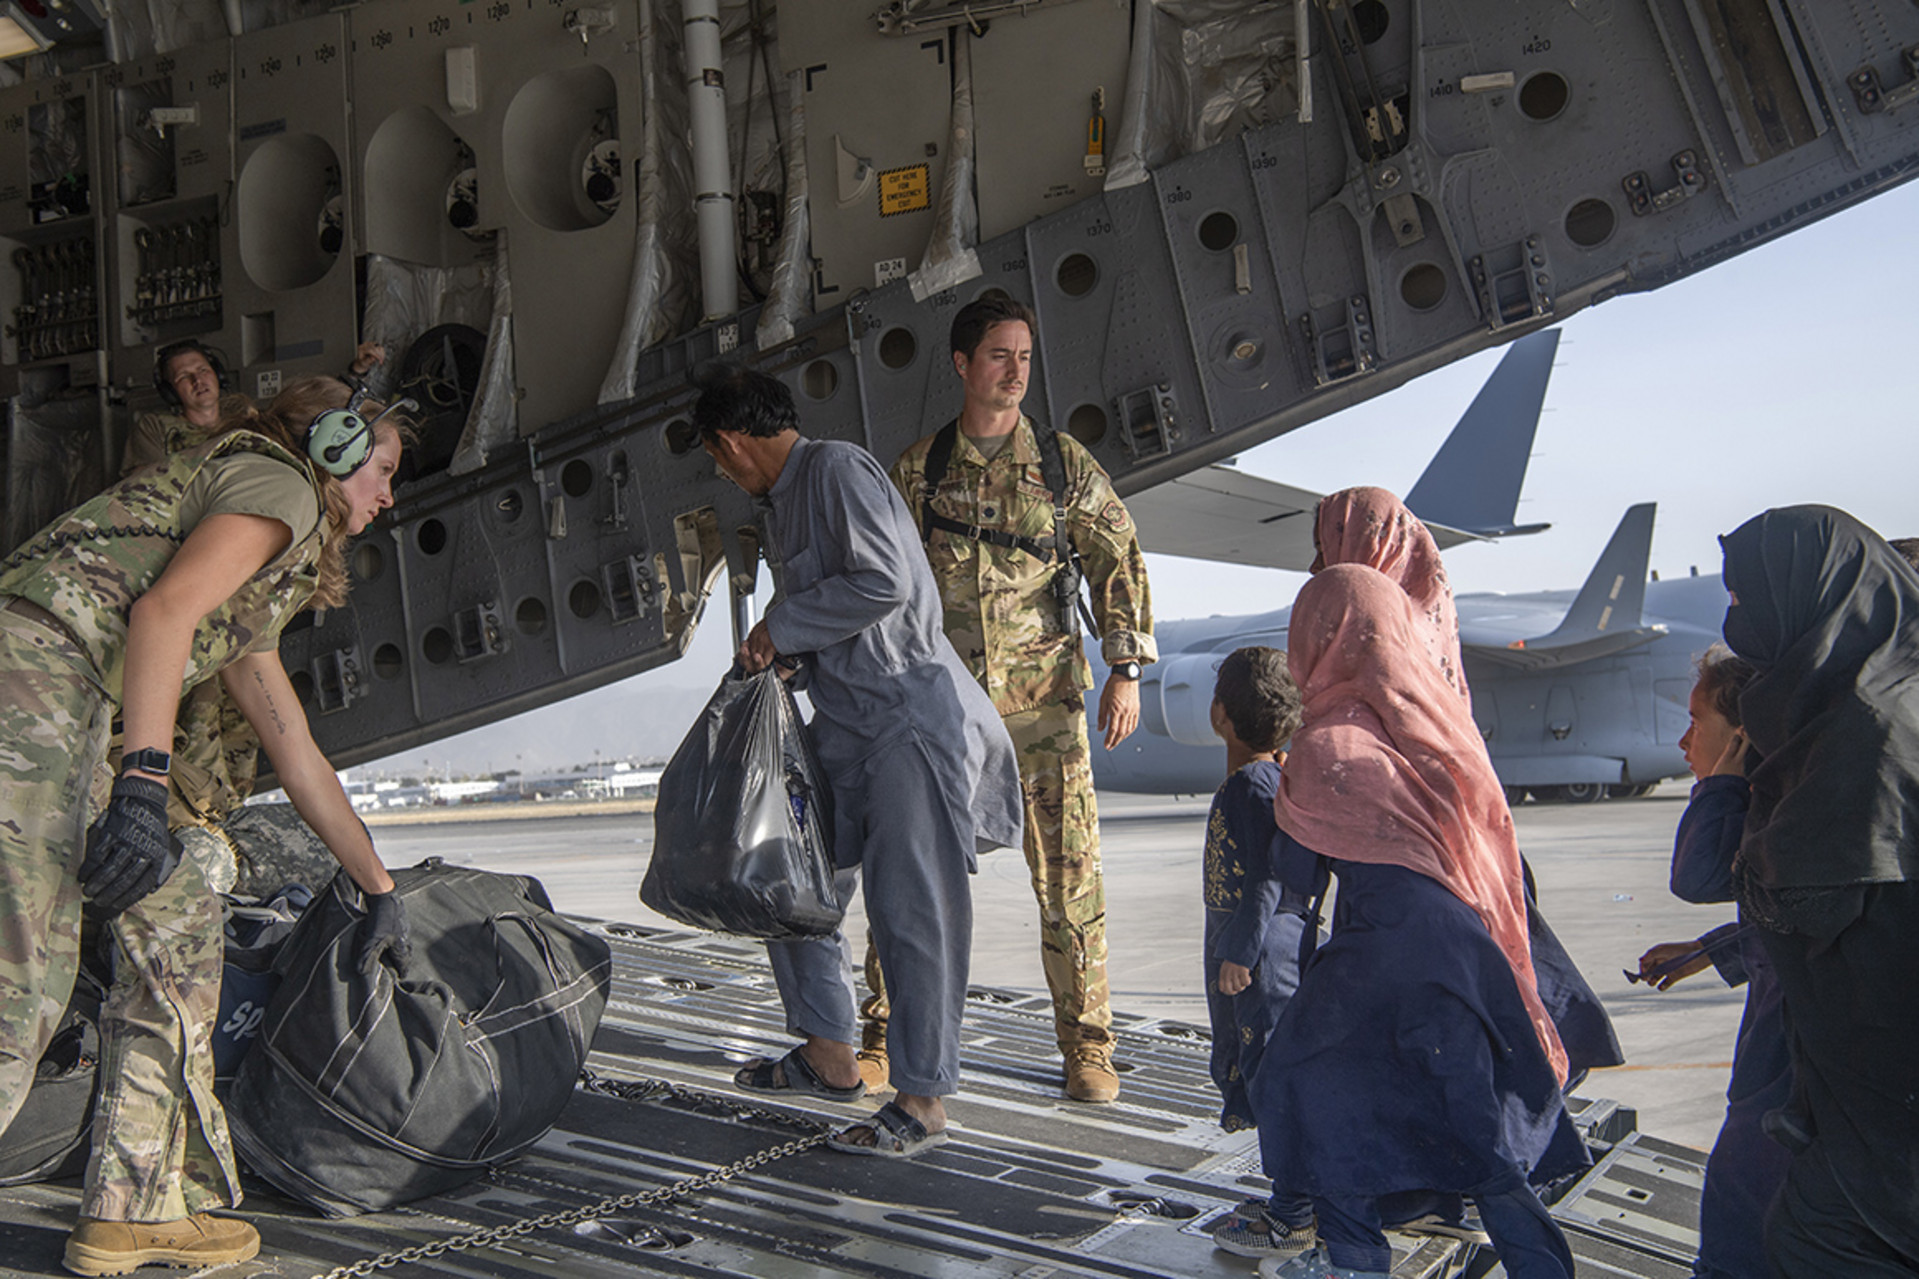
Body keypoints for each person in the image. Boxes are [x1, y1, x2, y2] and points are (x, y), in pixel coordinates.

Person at [0, 377, 414, 1275]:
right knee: (20, 979)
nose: (388, 495)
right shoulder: (282, 486)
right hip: (34, 676)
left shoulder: (266, 574)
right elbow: (161, 613)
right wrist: (144, 788)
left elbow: (291, 744)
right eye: (381, 469)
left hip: (64, 702)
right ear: (335, 446)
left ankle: (134, 1205)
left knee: (181, 918)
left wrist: (376, 887)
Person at [695, 364, 1021, 1158]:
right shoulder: (783, 506)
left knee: (913, 914)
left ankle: (921, 1098)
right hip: (845, 727)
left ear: (732, 442)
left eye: (715, 457)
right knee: (786, 878)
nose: (720, 471)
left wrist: (783, 623)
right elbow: (844, 621)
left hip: (909, 727)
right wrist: (787, 659)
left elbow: (883, 582)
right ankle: (829, 1054)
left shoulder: (836, 468)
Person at [1253, 565, 1584, 1279]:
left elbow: (1298, 883)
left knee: (1311, 1091)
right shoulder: (1435, 725)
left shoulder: (1325, 744)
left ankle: (1353, 1258)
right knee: (1470, 1123)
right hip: (1463, 950)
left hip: (1382, 947)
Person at [873, 294, 1156, 1103]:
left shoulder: (1061, 465)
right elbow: (882, 582)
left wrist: (1125, 666)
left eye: (1024, 355)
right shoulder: (918, 471)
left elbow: (1117, 556)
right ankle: (877, 1034)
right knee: (910, 873)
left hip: (1045, 714)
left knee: (1069, 886)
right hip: (941, 714)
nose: (1015, 370)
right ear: (962, 365)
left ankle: (1087, 1050)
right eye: (999, 355)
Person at [1716, 505, 1919, 1276]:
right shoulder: (1860, 707)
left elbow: (1813, 900)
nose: (1733, 619)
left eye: (1742, 598)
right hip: (1850, 1108)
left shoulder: (1863, 733)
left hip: (1881, 1120)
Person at [1633, 646, 1785, 1279]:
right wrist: (1712, 950)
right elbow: (1782, 920)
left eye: (1699, 721)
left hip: (1784, 1081)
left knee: (1736, 1235)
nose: (1683, 741)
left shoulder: (1775, 807)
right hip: (1785, 1074)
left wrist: (1723, 779)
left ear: (1744, 736)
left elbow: (1696, 877)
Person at [1198, 646, 1321, 1261]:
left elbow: (1267, 879)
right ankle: (1293, 1202)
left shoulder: (1250, 785)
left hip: (1262, 960)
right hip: (1269, 952)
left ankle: (1292, 1215)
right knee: (1272, 1076)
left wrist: (1238, 953)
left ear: (1220, 713)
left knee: (1274, 1085)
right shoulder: (1273, 778)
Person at [123, 340, 386, 477]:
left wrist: (357, 371)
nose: (198, 380)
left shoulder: (246, 417)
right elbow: (141, 479)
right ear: (171, 390)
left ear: (218, 375)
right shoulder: (155, 426)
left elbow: (311, 417)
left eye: (203, 370)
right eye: (184, 377)